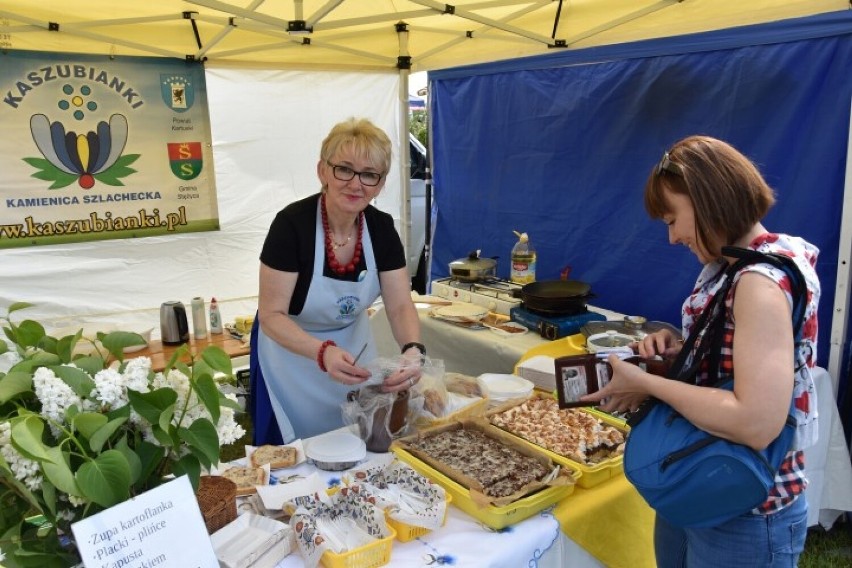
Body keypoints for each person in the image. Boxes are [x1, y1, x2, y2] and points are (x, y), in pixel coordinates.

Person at [582, 135, 821, 567]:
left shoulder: (758, 283)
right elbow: (740, 360)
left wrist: (649, 384)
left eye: (673, 220)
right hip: (706, 479)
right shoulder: (741, 263)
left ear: (708, 200)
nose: (672, 238)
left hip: (742, 505)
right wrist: (682, 352)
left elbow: (754, 422)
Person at [252, 117, 424, 443]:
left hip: (353, 352)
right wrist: (321, 352)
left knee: (355, 439)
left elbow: (400, 304)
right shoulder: (291, 226)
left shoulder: (382, 229)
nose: (356, 184)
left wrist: (413, 350)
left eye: (369, 174)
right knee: (294, 455)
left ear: (381, 183)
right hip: (291, 357)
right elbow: (271, 315)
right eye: (344, 169)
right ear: (323, 171)